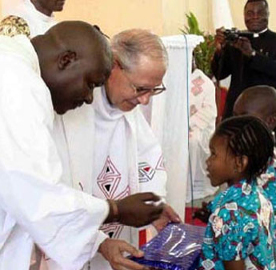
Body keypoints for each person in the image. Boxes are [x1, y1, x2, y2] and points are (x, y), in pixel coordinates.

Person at [0, 21, 164, 270]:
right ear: (66, 60)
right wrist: (115, 210)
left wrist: (97, 241)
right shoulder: (19, 81)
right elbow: (34, 194)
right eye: (90, 84)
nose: (88, 98)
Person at [52, 29, 181, 269]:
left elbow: (148, 160)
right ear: (114, 66)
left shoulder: (129, 110)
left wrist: (154, 205)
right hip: (73, 245)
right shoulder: (71, 108)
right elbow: (54, 195)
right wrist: (97, 242)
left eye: (154, 90)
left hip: (121, 236)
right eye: (140, 89)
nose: (145, 101)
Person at [211, 0, 276, 228]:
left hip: (275, 119)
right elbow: (219, 73)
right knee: (239, 176)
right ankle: (242, 229)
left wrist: (252, 55)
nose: (254, 16)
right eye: (249, 12)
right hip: (239, 120)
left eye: (260, 12)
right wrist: (220, 49)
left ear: (268, 14)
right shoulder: (235, 41)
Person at [197, 116, 276, 270]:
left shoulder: (227, 215)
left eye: (214, 154)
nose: (208, 161)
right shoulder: (260, 196)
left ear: (239, 163)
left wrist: (220, 219)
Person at [233, 85, 276, 265]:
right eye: (235, 116)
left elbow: (251, 209)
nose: (236, 124)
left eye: (244, 117)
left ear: (271, 120)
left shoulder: (262, 161)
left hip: (261, 251)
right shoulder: (258, 150)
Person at [187, 66, 218, 202]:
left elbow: (210, 111)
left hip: (197, 127)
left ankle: (190, 187)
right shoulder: (175, 78)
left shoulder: (205, 83)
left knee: (192, 141)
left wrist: (189, 122)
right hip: (176, 124)